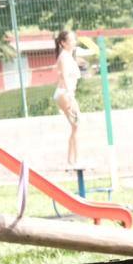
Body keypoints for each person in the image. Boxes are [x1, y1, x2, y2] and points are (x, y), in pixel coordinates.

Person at [53, 30, 81, 165]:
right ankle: (75, 160)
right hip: (65, 93)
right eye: (71, 40)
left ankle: (71, 161)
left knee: (76, 126)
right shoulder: (64, 56)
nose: (74, 42)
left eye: (74, 39)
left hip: (67, 93)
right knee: (77, 124)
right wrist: (70, 96)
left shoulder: (68, 56)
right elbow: (64, 76)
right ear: (63, 43)